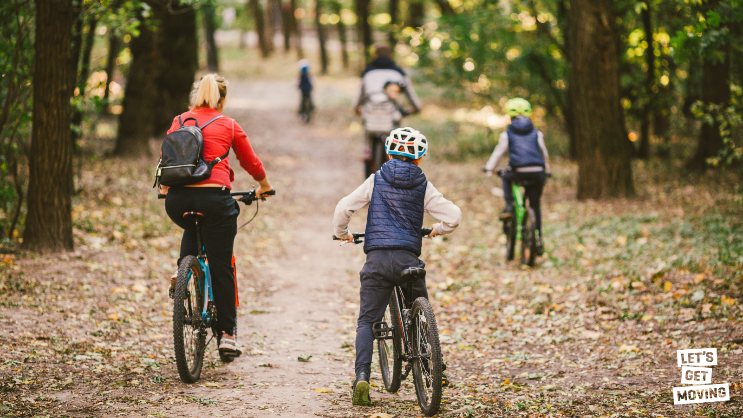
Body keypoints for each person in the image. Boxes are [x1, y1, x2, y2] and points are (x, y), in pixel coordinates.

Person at [333, 127, 461, 406]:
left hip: (377, 260)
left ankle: (363, 377)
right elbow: (454, 216)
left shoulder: (376, 180)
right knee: (419, 306)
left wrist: (343, 234)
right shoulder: (424, 185)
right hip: (407, 260)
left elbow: (344, 207)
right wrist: (438, 228)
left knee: (367, 321)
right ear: (420, 157)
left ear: (389, 152)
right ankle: (432, 365)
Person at [161, 73, 273, 355]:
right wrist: (264, 186)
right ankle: (227, 334)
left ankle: (182, 270)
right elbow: (250, 162)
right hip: (214, 199)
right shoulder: (228, 124)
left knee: (192, 223)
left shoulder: (179, 121)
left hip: (177, 200)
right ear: (222, 100)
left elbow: (168, 158)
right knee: (221, 265)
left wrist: (165, 189)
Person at [483, 97, 549, 253]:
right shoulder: (536, 132)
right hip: (538, 172)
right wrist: (547, 168)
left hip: (518, 171)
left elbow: (498, 153)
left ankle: (509, 205)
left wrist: (489, 168)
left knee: (505, 176)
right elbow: (543, 153)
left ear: (509, 115)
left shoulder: (508, 133)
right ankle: (538, 238)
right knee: (534, 205)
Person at [353, 43, 422, 177]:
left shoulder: (367, 73)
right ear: (390, 56)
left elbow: (358, 97)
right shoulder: (398, 72)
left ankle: (367, 152)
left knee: (368, 131)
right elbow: (411, 95)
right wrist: (416, 108)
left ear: (375, 55)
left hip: (371, 115)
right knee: (397, 139)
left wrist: (356, 108)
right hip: (391, 117)